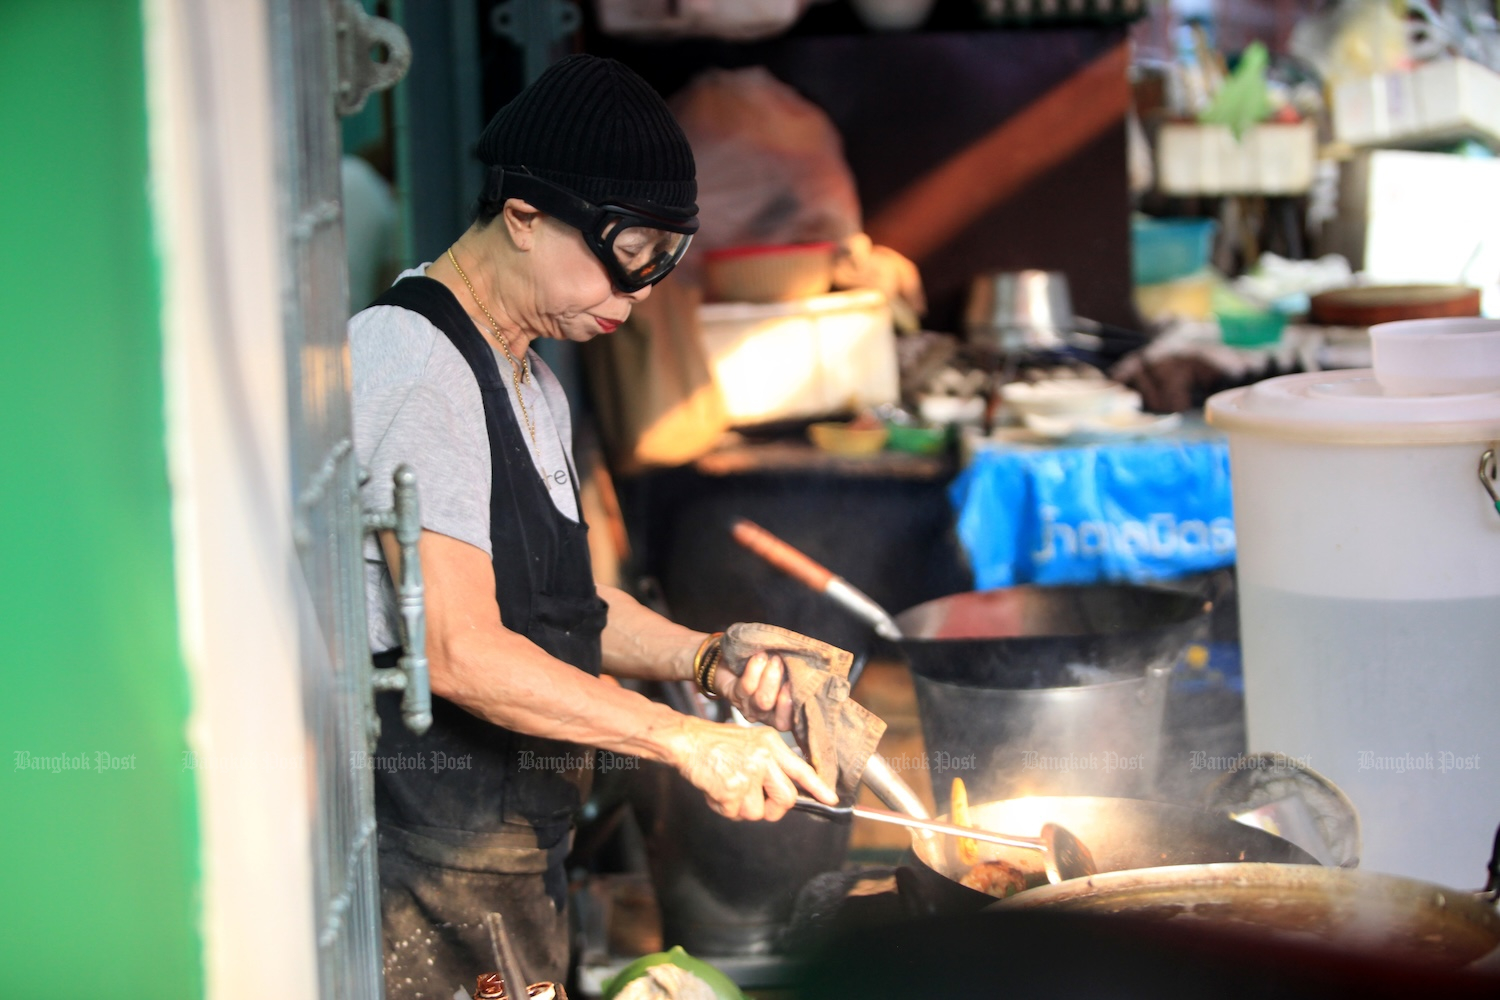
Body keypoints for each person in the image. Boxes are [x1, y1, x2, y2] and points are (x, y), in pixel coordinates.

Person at [349, 55, 838, 997]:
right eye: (628, 249)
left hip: (511, 855)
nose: (645, 288)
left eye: (666, 257)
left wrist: (707, 661)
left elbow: (557, 605)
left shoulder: (528, 376)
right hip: (428, 876)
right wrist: (687, 740)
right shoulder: (413, 363)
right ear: (524, 217)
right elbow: (458, 649)